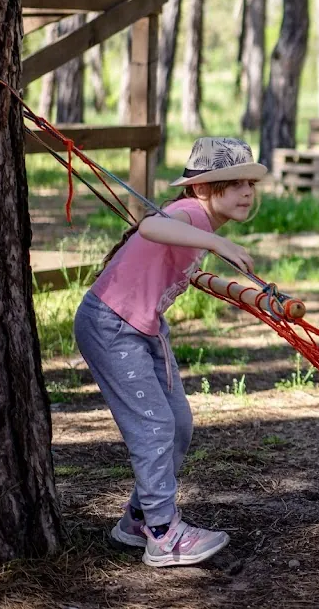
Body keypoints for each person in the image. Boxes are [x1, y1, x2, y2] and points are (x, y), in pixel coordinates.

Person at [75, 137, 264, 567]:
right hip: (112, 326)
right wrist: (217, 245)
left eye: (250, 183)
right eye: (234, 183)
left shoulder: (200, 222)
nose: (247, 192)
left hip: (143, 328)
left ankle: (137, 520)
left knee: (177, 423)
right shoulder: (189, 213)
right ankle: (162, 535)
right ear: (201, 189)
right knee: (156, 426)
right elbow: (151, 227)